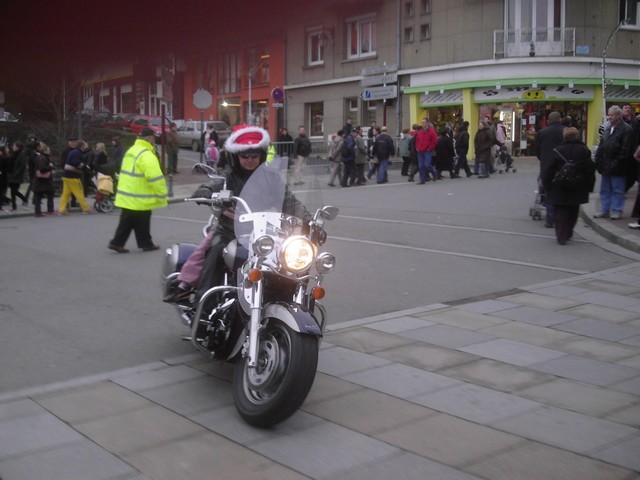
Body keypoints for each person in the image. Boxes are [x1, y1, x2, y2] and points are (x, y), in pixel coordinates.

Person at [164, 124, 310, 303]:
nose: (250, 159)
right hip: (231, 232)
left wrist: (309, 221)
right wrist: (210, 195)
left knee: (293, 259)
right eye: (244, 155)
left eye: (254, 154)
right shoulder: (227, 177)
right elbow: (206, 188)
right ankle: (203, 304)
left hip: (266, 235)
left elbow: (291, 201)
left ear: (261, 154)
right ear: (236, 155)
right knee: (215, 251)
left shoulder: (271, 177)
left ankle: (288, 300)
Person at [108, 128, 167, 253]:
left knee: (134, 220)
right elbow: (155, 177)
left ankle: (138, 243)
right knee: (139, 219)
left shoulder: (132, 150)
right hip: (140, 194)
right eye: (154, 138)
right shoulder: (146, 154)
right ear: (149, 139)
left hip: (128, 192)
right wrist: (162, 194)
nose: (154, 141)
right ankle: (123, 242)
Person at [542, 127, 596, 245]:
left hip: (559, 185)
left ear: (564, 136)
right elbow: (589, 169)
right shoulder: (584, 150)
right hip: (578, 185)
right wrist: (590, 185)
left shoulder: (557, 150)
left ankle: (561, 234)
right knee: (573, 210)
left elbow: (549, 169)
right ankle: (568, 231)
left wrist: (547, 184)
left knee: (560, 211)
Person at [594, 105, 634, 220]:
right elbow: (602, 145)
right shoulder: (607, 128)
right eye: (608, 114)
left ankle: (617, 210)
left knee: (618, 190)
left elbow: (625, 150)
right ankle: (604, 209)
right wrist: (598, 160)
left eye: (611, 115)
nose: (609, 117)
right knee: (605, 189)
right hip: (606, 163)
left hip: (619, 166)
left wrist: (615, 163)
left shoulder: (626, 129)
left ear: (618, 115)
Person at [536, 111, 565, 227]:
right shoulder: (565, 130)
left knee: (549, 192)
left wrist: (543, 159)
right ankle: (561, 218)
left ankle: (550, 219)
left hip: (547, 165)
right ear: (560, 119)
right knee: (562, 192)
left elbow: (537, 150)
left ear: (548, 120)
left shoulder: (542, 132)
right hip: (562, 166)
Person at [58, 140, 93, 215]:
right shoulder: (77, 153)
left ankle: (62, 209)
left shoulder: (75, 152)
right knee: (79, 192)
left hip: (66, 175)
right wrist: (84, 166)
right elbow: (76, 163)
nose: (87, 145)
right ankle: (85, 208)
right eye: (85, 144)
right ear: (82, 146)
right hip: (73, 176)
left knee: (66, 194)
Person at [33, 142, 56, 217]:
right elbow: (42, 168)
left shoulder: (40, 157)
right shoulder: (43, 158)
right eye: (48, 150)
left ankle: (39, 211)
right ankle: (47, 210)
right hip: (43, 181)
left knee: (40, 196)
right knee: (47, 194)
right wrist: (50, 166)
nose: (49, 151)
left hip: (40, 181)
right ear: (44, 151)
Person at [415, 118, 438, 184]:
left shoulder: (432, 131)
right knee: (421, 166)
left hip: (427, 150)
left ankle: (434, 173)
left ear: (427, 123)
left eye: (424, 122)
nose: (423, 124)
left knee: (427, 165)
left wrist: (430, 148)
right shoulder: (420, 131)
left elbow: (434, 141)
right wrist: (417, 147)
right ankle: (422, 180)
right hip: (420, 150)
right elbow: (417, 140)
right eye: (422, 122)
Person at [7, 141, 28, 211]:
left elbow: (23, 165)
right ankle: (14, 206)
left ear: (18, 147)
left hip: (17, 176)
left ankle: (23, 199)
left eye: (14, 146)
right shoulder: (13, 154)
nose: (13, 147)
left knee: (14, 191)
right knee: (12, 191)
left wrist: (17, 173)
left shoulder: (22, 154)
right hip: (11, 175)